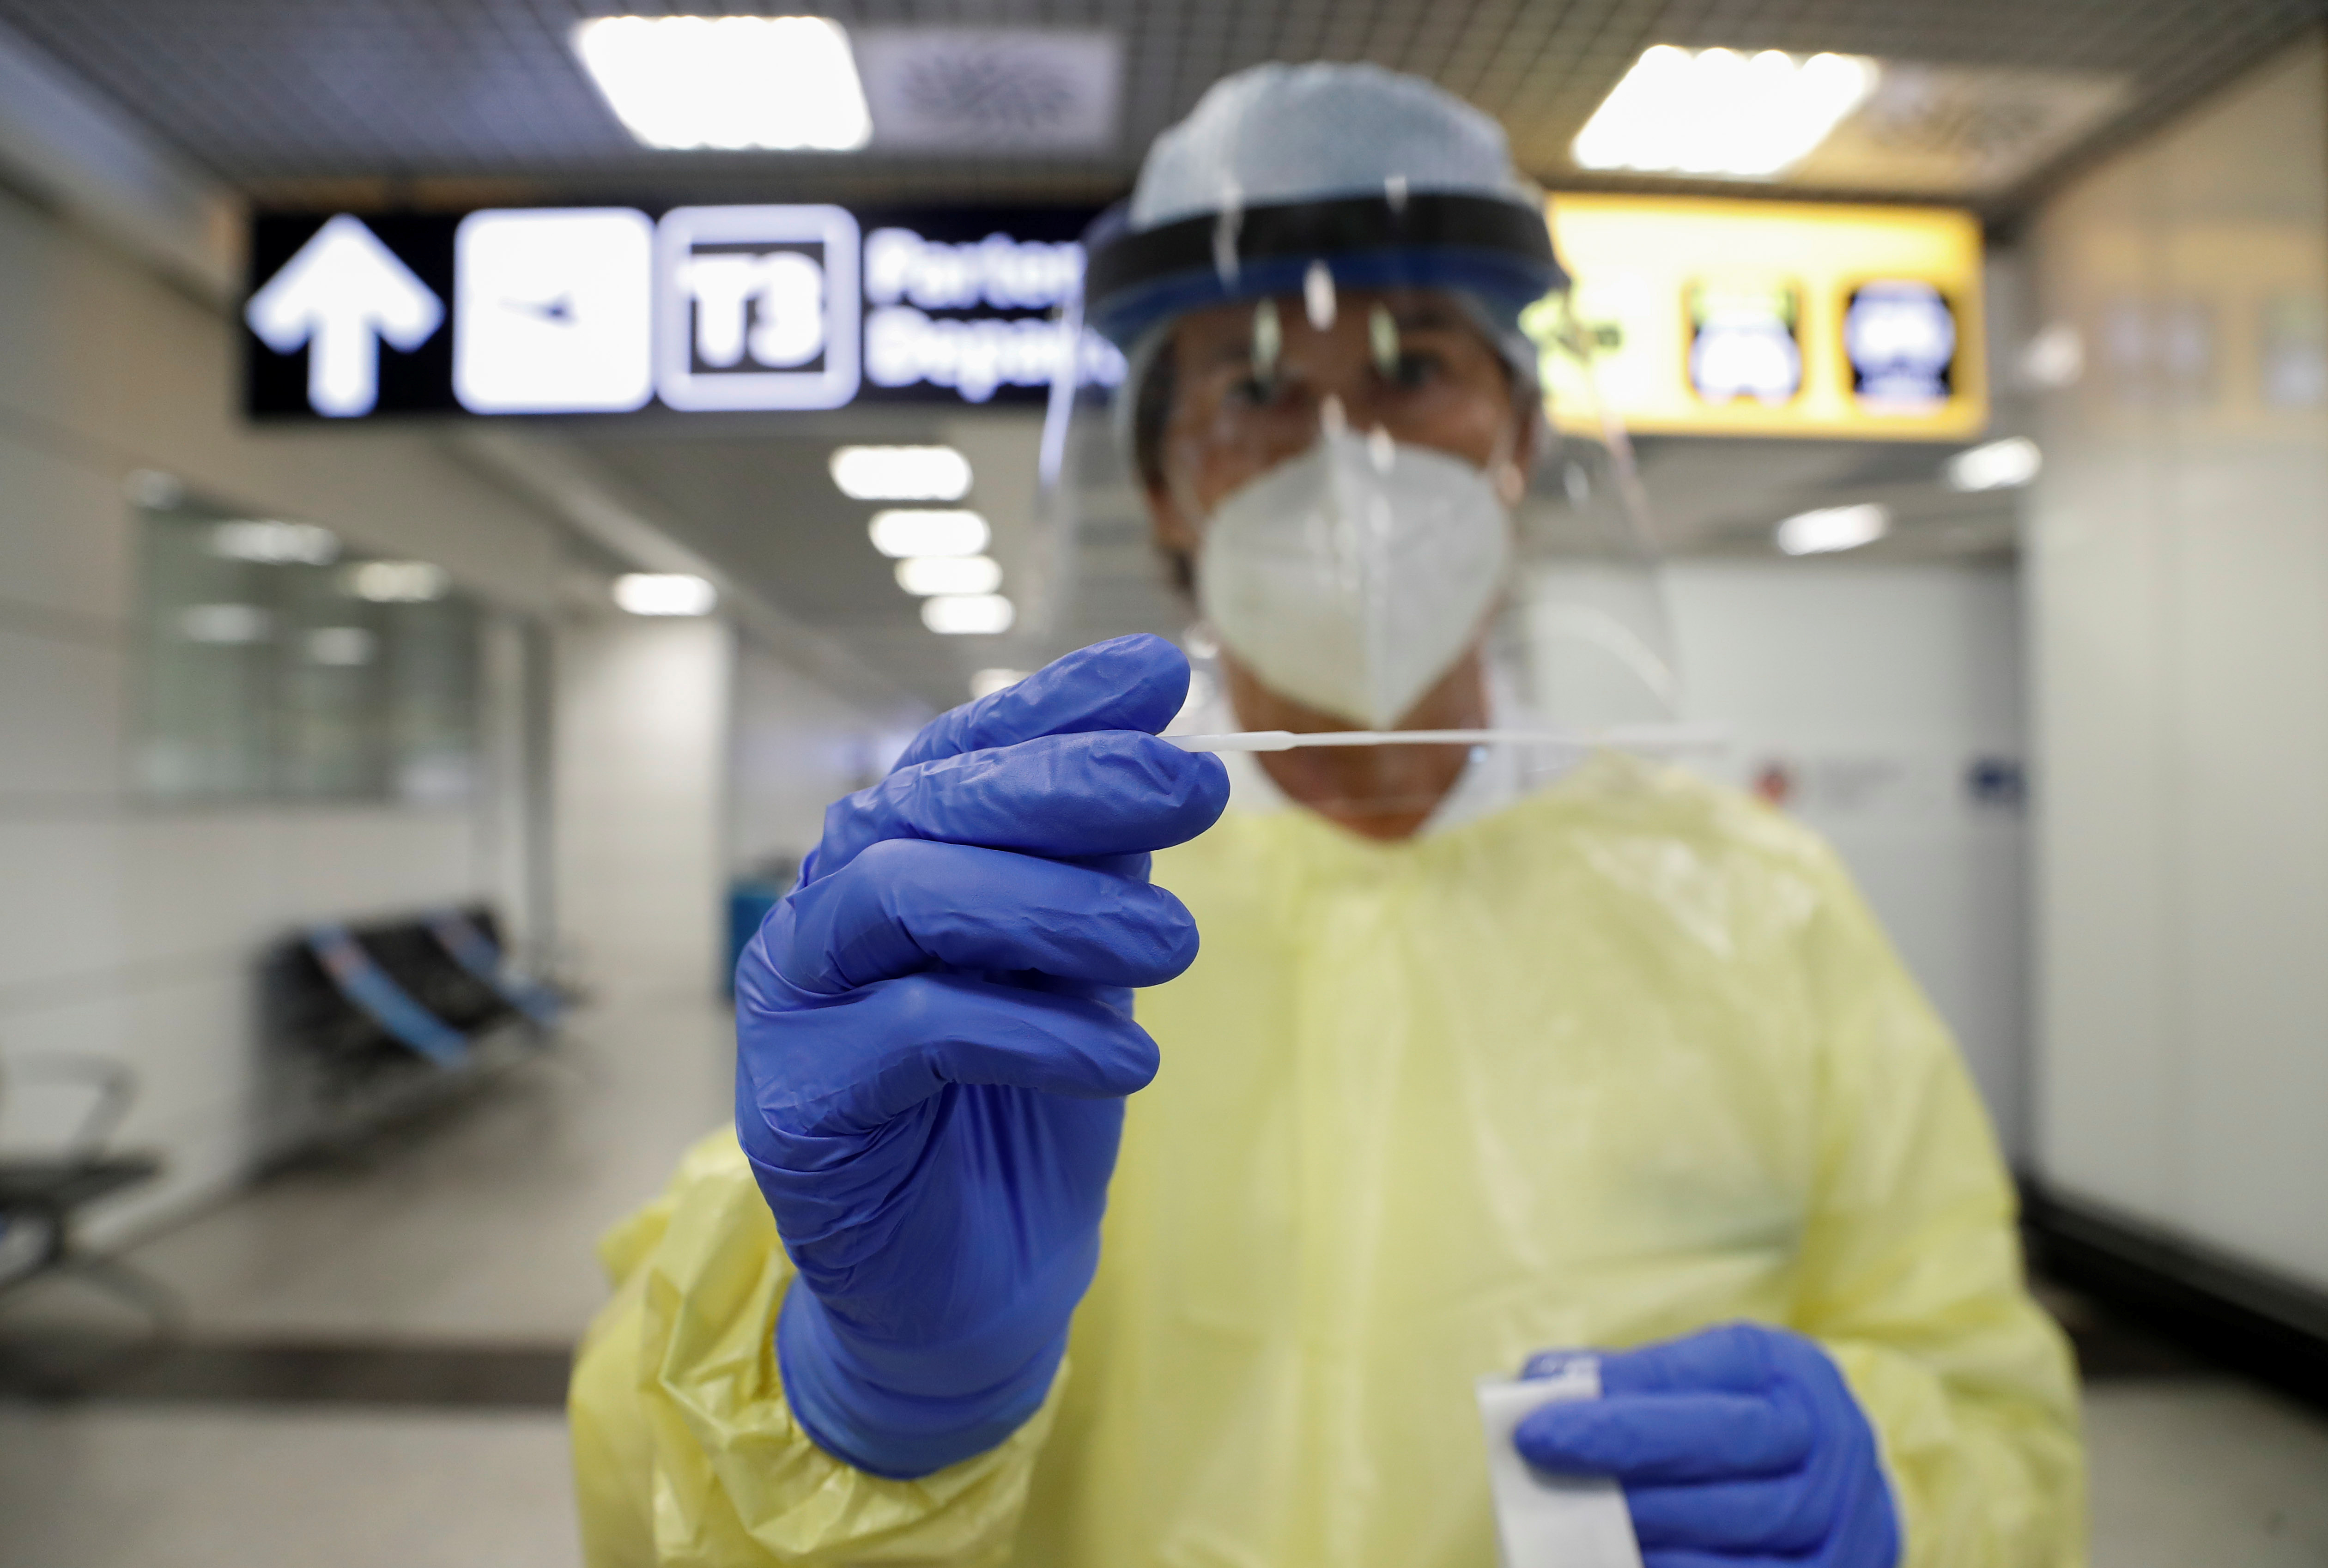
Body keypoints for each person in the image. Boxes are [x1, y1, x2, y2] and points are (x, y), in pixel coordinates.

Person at [570, 62, 2085, 1568]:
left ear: (1518, 434)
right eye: (1258, 390)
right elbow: (639, 1454)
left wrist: (1897, 1491)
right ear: (1163, 484)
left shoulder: (1761, 907)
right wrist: (860, 1392)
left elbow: (1993, 1401)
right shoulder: (1023, 908)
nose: (1346, 456)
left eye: (1414, 367)